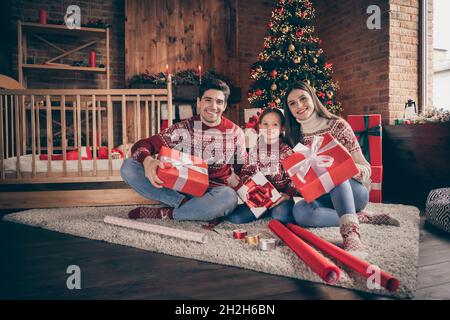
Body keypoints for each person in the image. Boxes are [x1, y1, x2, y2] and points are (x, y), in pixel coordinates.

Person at [283, 81, 399, 257]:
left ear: (313, 99)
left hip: (353, 192)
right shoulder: (293, 136)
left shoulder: (338, 125)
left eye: (303, 99)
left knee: (333, 175)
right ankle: (359, 217)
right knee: (300, 213)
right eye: (292, 103)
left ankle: (351, 235)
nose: (299, 106)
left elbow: (366, 168)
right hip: (322, 195)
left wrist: (342, 167)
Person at [120, 78, 246, 221]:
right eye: (208, 100)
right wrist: (148, 160)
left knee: (229, 197)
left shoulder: (235, 132)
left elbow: (242, 168)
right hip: (182, 188)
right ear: (199, 102)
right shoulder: (183, 128)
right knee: (128, 166)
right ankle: (191, 208)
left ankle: (168, 213)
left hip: (214, 192)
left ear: (224, 106)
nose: (213, 106)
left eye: (219, 102)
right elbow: (145, 144)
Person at [227, 107, 297, 224]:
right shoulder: (255, 150)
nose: (269, 128)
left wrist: (288, 195)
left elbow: (295, 178)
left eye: (275, 124)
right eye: (265, 124)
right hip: (260, 197)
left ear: (282, 128)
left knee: (280, 216)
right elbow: (246, 172)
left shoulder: (287, 151)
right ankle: (264, 211)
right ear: (260, 127)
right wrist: (247, 185)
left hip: (281, 198)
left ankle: (274, 211)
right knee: (235, 218)